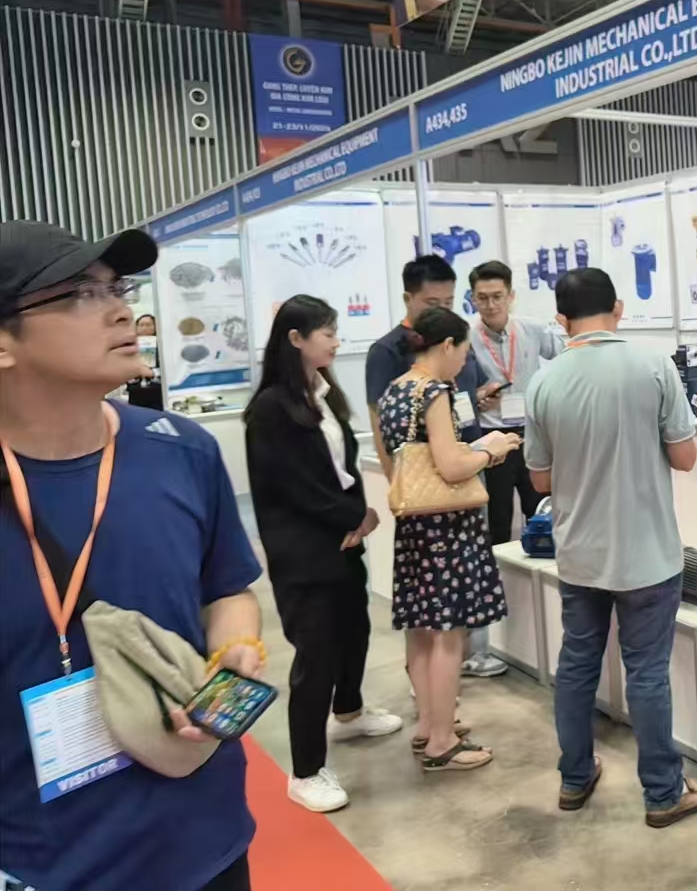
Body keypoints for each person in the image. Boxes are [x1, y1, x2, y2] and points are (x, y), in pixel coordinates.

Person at [0, 221, 264, 891]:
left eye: (117, 288)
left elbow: (227, 590)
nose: (121, 311)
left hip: (206, 839)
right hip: (45, 866)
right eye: (80, 294)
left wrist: (233, 660)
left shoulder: (182, 448)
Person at [525, 268, 697, 827]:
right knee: (648, 673)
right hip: (647, 554)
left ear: (561, 320)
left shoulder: (543, 382)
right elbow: (685, 458)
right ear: (618, 309)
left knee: (577, 665)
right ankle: (662, 793)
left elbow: (540, 480)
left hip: (579, 554)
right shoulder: (654, 365)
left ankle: (574, 777)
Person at [245, 295, 402, 814]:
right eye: (327, 333)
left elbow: (343, 470)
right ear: (296, 338)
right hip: (303, 549)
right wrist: (355, 517)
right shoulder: (271, 408)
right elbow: (295, 486)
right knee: (316, 655)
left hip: (341, 539)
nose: (336, 341)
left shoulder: (325, 393)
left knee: (355, 630)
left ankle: (350, 712)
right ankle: (306, 771)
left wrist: (359, 516)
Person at [376, 308, 520, 772]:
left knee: (421, 631)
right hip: (447, 526)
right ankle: (441, 740)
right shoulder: (435, 392)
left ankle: (428, 725)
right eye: (464, 351)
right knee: (448, 636)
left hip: (416, 525)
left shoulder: (396, 390)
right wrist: (490, 450)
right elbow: (452, 466)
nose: (464, 361)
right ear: (446, 346)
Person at [366, 255, 507, 679]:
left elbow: (463, 395)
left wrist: (480, 401)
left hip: (464, 472)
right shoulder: (389, 354)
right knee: (436, 612)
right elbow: (384, 428)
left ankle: (460, 664)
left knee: (455, 600)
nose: (441, 310)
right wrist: (399, 485)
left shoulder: (454, 341)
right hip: (434, 491)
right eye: (432, 302)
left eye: (448, 301)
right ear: (408, 298)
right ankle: (434, 684)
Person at [466, 260, 564, 546]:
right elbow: (457, 388)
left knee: (541, 509)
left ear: (511, 296)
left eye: (497, 296)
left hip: (532, 432)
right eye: (483, 298)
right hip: (491, 437)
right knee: (497, 516)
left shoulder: (533, 329)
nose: (491, 305)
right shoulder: (465, 338)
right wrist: (476, 397)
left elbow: (567, 358)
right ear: (473, 299)